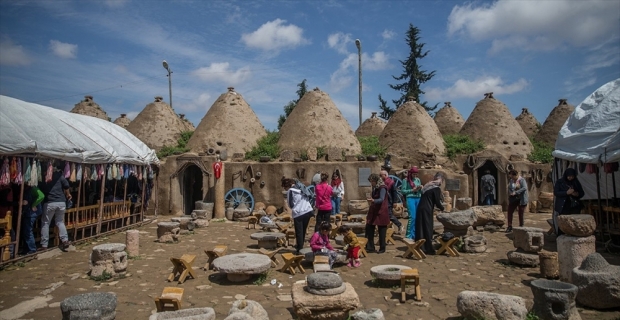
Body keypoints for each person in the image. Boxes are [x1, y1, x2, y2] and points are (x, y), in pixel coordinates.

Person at [39, 162, 73, 251]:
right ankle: (65, 240)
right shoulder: (59, 175)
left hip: (49, 202)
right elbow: (66, 185)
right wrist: (68, 194)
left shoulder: (43, 177)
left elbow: (40, 188)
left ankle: (44, 245)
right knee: (60, 222)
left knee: (46, 223)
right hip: (61, 202)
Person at [415, 172, 445, 255]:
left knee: (421, 227)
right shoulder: (436, 188)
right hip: (427, 209)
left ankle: (420, 246)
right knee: (427, 227)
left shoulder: (428, 186)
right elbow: (437, 202)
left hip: (420, 208)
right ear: (441, 180)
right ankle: (428, 248)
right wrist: (443, 208)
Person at [282, 177, 314, 255]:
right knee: (303, 229)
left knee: (299, 231)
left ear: (287, 186)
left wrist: (295, 208)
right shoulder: (301, 187)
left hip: (299, 213)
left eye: (285, 187)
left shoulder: (291, 191)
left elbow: (290, 204)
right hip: (308, 210)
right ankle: (300, 245)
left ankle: (299, 249)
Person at [553, 168, 585, 234]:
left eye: (572, 176)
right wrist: (566, 193)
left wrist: (576, 194)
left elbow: (582, 193)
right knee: (563, 221)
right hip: (563, 206)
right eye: (569, 176)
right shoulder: (560, 182)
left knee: (573, 222)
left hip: (574, 206)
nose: (571, 178)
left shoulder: (576, 182)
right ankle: (561, 237)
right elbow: (556, 192)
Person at [365, 173, 390, 253]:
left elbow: (381, 199)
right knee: (369, 227)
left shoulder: (382, 188)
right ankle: (370, 246)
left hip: (381, 211)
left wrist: (373, 200)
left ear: (376, 180)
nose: (371, 183)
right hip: (374, 211)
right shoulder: (375, 188)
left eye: (372, 181)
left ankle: (382, 248)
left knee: (382, 230)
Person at [19, 185, 44, 255]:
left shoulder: (33, 188)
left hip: (31, 213)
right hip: (28, 213)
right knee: (26, 231)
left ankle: (32, 249)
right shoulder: (29, 188)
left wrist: (33, 204)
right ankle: (26, 249)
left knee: (28, 231)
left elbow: (41, 196)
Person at [401, 166, 422, 239]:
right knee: (412, 217)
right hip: (410, 198)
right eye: (414, 174)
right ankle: (408, 235)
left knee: (417, 217)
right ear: (410, 173)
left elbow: (420, 191)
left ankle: (415, 234)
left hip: (418, 198)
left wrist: (420, 188)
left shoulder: (418, 180)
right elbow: (403, 191)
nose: (415, 176)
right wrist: (412, 190)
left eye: (416, 174)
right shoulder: (405, 180)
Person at [379, 170, 403, 234]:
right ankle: (390, 229)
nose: (380, 177)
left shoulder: (391, 182)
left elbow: (394, 192)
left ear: (385, 175)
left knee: (389, 215)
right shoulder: (382, 182)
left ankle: (399, 225)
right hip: (383, 201)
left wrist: (395, 202)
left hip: (389, 201)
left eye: (381, 175)